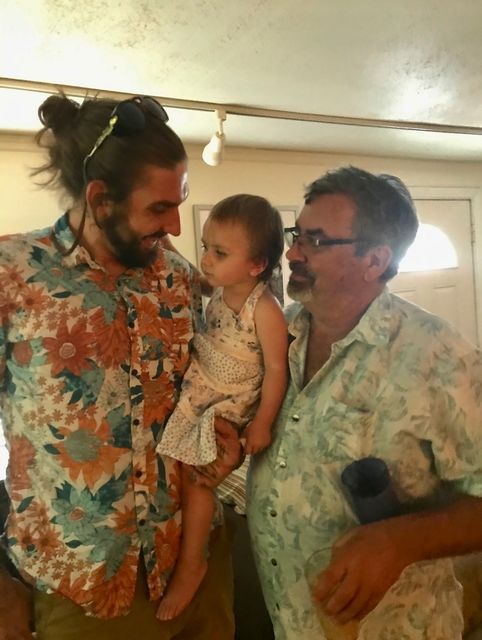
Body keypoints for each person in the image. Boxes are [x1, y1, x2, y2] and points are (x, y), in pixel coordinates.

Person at [0, 93, 242, 640]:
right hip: (79, 584)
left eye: (181, 202)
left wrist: (222, 438)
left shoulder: (177, 279)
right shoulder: (11, 275)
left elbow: (197, 395)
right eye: (160, 208)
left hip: (195, 561)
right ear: (100, 199)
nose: (177, 226)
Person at [246, 166, 482, 639]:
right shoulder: (275, 333)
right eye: (298, 233)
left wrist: (400, 541)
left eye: (315, 240)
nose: (292, 252)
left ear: (374, 260)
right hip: (292, 624)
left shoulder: (437, 353)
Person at [156, 194, 288, 619]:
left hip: (228, 403)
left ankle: (193, 563)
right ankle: (182, 547)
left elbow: (275, 370)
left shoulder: (264, 310)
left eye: (220, 252)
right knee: (173, 467)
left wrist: (263, 423)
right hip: (201, 387)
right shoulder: (219, 288)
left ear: (256, 265)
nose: (207, 260)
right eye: (206, 247)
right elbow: (195, 280)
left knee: (199, 482)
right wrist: (167, 247)